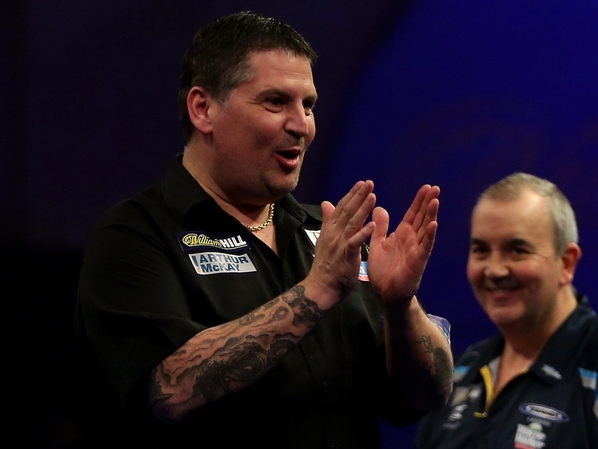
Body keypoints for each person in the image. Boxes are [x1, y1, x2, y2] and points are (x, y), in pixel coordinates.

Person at [74, 11, 453, 448]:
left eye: (308, 105)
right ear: (204, 109)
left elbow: (428, 396)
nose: (300, 125)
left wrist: (402, 308)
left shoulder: (330, 237)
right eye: (275, 101)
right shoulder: (135, 234)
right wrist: (317, 291)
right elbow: (170, 389)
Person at [415, 172, 598, 449]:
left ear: (566, 263)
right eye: (481, 250)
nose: (494, 270)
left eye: (517, 250)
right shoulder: (466, 368)